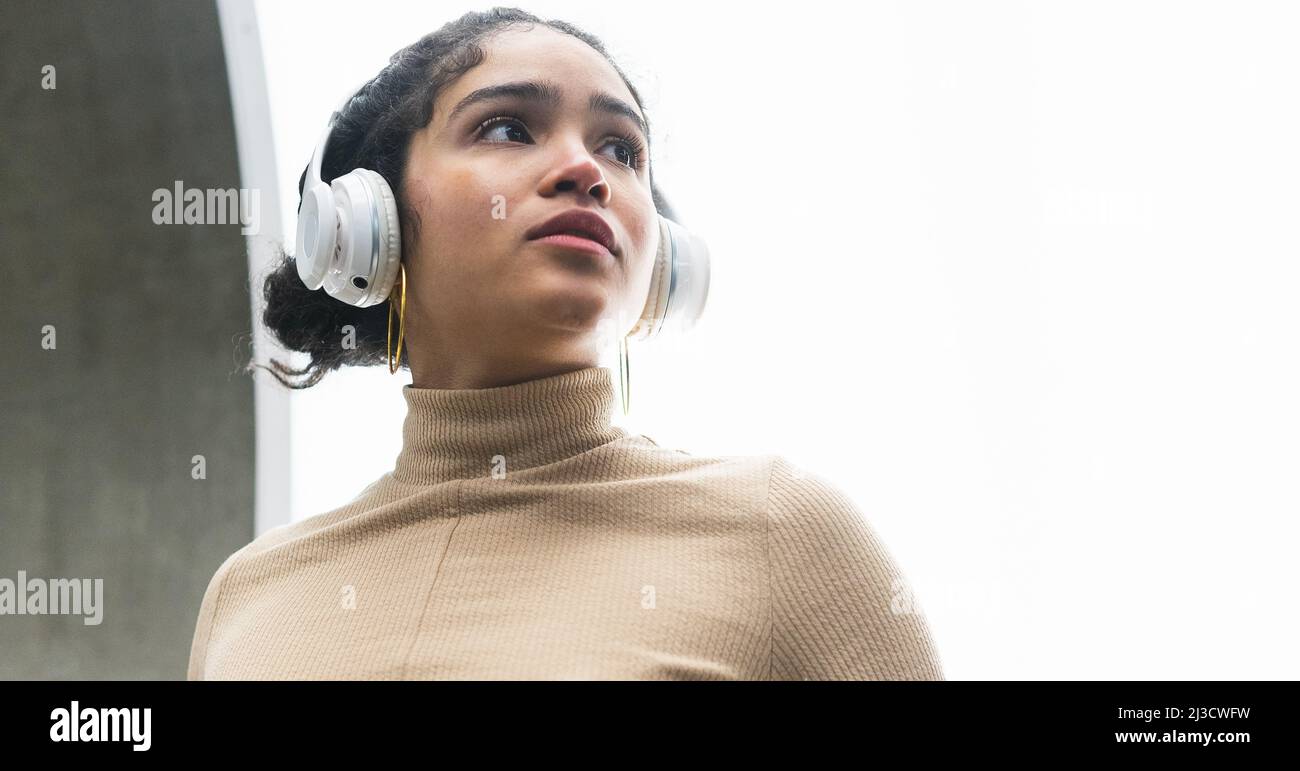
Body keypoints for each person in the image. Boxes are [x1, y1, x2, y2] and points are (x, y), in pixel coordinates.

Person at [187, 7, 944, 681]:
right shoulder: (250, 597)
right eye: (508, 128)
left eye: (622, 150)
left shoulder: (782, 535)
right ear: (363, 223)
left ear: (662, 265)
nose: (586, 170)